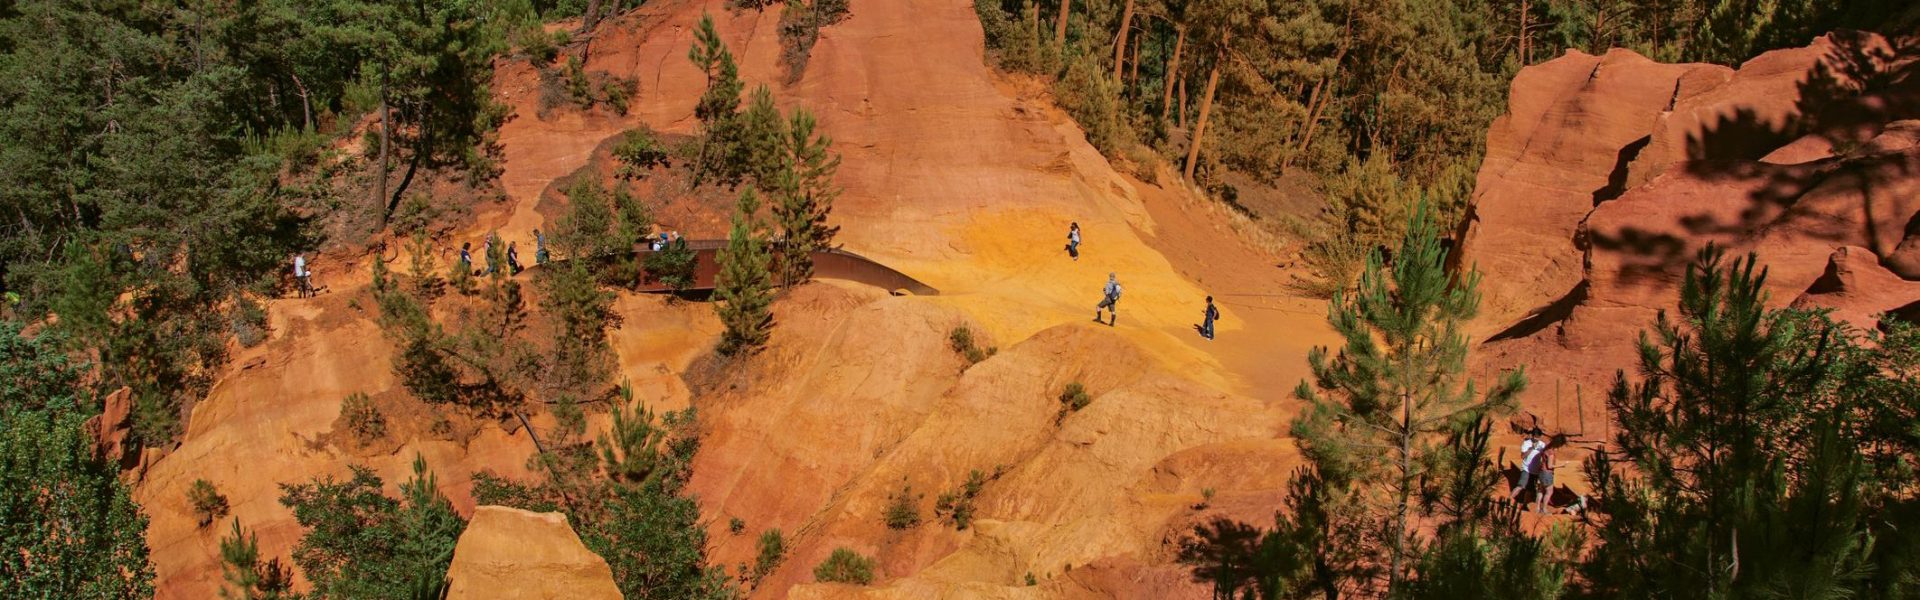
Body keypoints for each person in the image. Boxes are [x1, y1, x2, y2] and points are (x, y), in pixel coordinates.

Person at [1510, 429, 1546, 507]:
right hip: (1526, 468)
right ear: (1532, 436)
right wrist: (1530, 449)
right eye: (1535, 436)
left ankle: (1524, 504)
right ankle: (1508, 501)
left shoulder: (1542, 445)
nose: (1536, 438)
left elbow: (1544, 457)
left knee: (1530, 489)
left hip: (1536, 470)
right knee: (1521, 485)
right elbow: (1522, 456)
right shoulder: (1526, 443)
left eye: (1538, 437)